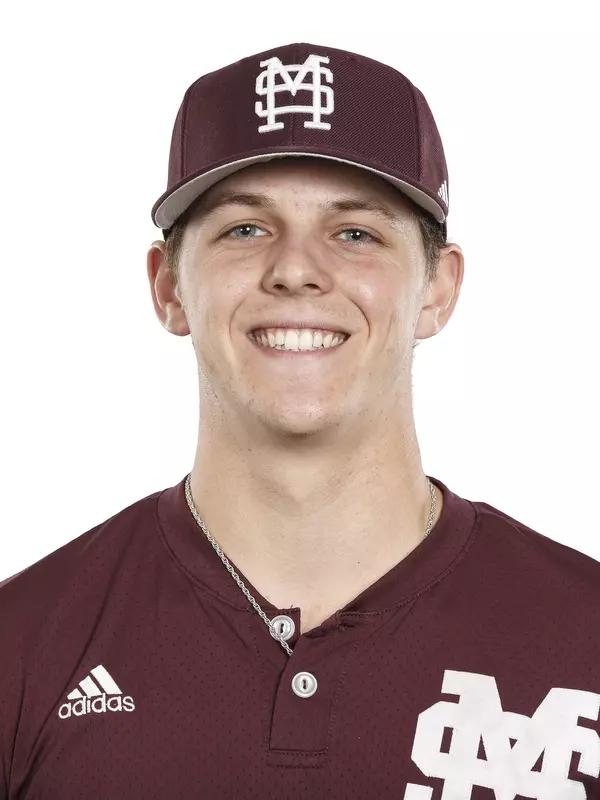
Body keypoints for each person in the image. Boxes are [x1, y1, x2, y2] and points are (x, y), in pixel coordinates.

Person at [1, 42, 599, 799]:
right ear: (169, 289)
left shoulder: (585, 640)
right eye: (244, 230)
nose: (295, 269)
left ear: (438, 291)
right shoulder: (22, 647)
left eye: (356, 233)